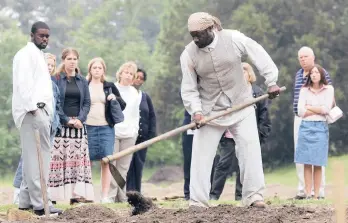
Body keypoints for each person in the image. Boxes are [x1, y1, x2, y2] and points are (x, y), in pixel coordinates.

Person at [180, 12, 280, 208]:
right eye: (192, 34)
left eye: (199, 34)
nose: (195, 38)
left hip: (241, 105)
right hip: (210, 112)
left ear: (211, 29)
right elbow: (189, 88)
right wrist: (197, 111)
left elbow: (257, 52)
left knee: (250, 149)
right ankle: (198, 202)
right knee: (201, 155)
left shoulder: (233, 38)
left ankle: (253, 198)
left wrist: (271, 81)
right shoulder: (188, 54)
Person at [11, 21, 62, 215]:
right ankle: (41, 204)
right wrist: (34, 109)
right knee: (36, 160)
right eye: (41, 35)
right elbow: (24, 85)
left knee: (34, 159)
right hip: (32, 113)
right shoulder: (25, 55)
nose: (45, 39)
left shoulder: (38, 55)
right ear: (32, 35)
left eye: (47, 36)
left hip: (42, 113)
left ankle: (25, 201)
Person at [210, 62, 271, 201]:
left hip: (249, 134)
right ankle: (213, 195)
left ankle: (240, 195)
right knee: (223, 164)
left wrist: (261, 134)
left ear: (249, 74)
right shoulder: (230, 91)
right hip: (229, 135)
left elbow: (264, 115)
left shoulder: (257, 92)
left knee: (243, 164)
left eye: (244, 72)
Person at [49, 48, 94, 204]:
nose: (72, 61)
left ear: (77, 61)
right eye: (69, 58)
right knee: (58, 162)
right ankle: (53, 198)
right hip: (61, 127)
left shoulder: (82, 81)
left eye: (75, 58)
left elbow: (87, 103)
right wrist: (66, 120)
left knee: (77, 163)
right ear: (64, 60)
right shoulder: (56, 79)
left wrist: (80, 119)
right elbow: (55, 102)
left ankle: (76, 196)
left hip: (79, 128)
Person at [293, 47, 332, 199]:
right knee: (301, 154)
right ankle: (303, 189)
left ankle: (319, 190)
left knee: (317, 156)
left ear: (313, 57)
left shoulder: (321, 73)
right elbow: (298, 103)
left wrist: (311, 109)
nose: (303, 59)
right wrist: (302, 111)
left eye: (306, 56)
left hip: (317, 120)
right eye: (300, 57)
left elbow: (326, 101)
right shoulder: (298, 74)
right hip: (299, 118)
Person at [85, 57, 125, 203]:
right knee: (86, 161)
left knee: (106, 161)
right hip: (87, 127)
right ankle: (86, 195)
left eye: (99, 68)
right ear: (90, 70)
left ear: (103, 70)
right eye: (94, 67)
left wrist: (115, 98)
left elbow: (122, 105)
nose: (97, 70)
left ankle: (105, 196)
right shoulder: (84, 84)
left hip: (106, 127)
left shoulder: (109, 86)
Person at [108, 61, 141, 202]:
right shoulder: (112, 88)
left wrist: (135, 131)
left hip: (129, 134)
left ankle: (121, 197)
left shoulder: (136, 93)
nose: (128, 75)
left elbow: (135, 114)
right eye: (126, 72)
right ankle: (109, 196)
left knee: (123, 168)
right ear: (120, 73)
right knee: (112, 167)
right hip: (114, 132)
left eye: (131, 74)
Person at [127, 68, 157, 193]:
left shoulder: (145, 97)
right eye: (136, 77)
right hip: (127, 135)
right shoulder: (125, 94)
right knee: (127, 164)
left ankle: (136, 191)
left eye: (141, 78)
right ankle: (125, 191)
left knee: (138, 165)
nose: (138, 80)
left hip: (142, 137)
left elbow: (152, 116)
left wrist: (151, 136)